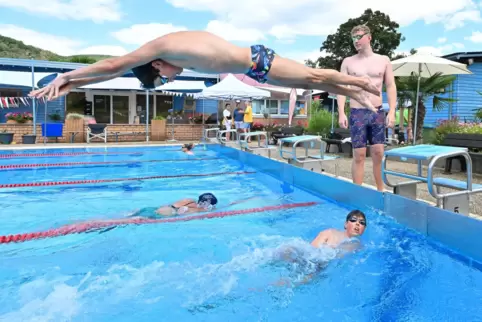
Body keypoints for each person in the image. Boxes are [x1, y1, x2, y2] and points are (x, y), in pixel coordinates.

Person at [28, 31, 380, 110]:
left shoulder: (159, 48)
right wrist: (74, 86)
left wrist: (67, 77)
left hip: (258, 58)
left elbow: (114, 65)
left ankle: (358, 80)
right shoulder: (169, 59)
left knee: (314, 77)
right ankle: (355, 92)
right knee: (313, 82)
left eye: (164, 77)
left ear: (156, 64)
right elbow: (114, 75)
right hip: (256, 71)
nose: (171, 78)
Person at [336, 25, 397, 192]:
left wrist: (392, 111)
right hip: (357, 112)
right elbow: (342, 88)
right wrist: (341, 112)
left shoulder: (383, 60)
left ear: (369, 37)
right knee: (359, 154)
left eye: (359, 37)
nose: (356, 41)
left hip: (377, 111)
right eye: (353, 38)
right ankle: (358, 192)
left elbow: (391, 86)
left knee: (378, 152)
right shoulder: (348, 62)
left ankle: (380, 190)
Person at [130, 192, 218, 217]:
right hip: (166, 213)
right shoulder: (199, 209)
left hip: (155, 208)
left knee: (129, 217)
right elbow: (180, 212)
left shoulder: (189, 200)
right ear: (206, 204)